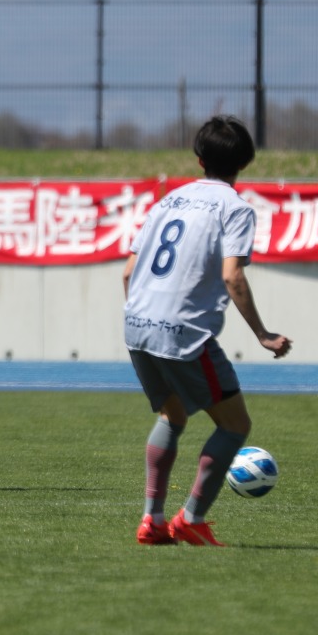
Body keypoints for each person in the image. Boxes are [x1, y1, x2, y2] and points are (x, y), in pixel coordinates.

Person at [122, 115, 292, 546]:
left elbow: (128, 272)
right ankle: (191, 519)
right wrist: (263, 334)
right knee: (234, 425)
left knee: (172, 414)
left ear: (199, 159)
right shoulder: (234, 208)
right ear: (245, 162)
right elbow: (232, 276)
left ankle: (152, 520)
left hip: (137, 325)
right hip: (183, 331)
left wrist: (143, 313)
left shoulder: (167, 202)